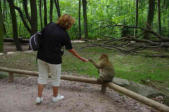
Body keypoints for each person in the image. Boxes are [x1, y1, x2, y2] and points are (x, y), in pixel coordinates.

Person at [36, 14, 88, 104]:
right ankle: (55, 97)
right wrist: (80, 58)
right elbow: (70, 49)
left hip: (41, 56)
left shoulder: (50, 25)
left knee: (42, 77)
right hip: (54, 60)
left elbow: (40, 35)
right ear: (69, 24)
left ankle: (39, 98)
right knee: (55, 79)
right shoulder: (64, 34)